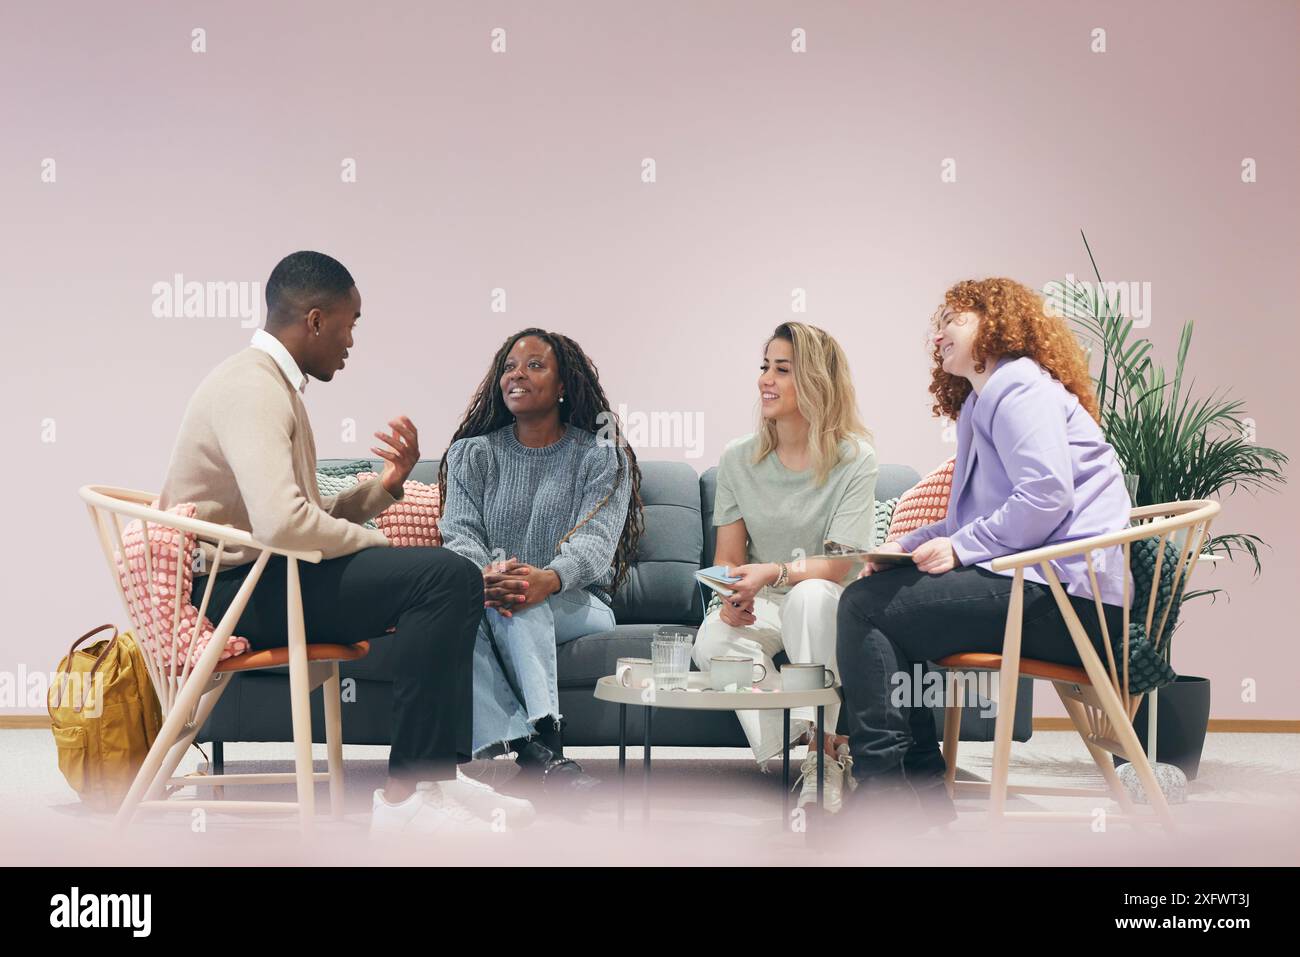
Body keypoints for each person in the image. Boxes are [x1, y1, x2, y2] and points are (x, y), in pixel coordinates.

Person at [166, 250, 532, 835]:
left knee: (450, 576)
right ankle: (405, 798)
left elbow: (298, 514)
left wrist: (383, 491)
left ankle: (433, 774)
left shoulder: (272, 386)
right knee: (444, 577)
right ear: (315, 320)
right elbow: (283, 525)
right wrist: (376, 546)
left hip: (267, 577)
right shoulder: (252, 389)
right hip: (240, 593)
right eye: (351, 321)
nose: (353, 340)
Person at [836, 277, 1132, 831]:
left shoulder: (1020, 386)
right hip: (1042, 588)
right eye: (939, 322)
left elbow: (1046, 495)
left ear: (996, 325)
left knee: (863, 606)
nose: (940, 332)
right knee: (876, 605)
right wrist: (904, 546)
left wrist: (961, 548)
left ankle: (891, 799)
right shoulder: (983, 400)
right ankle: (913, 801)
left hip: (1069, 601)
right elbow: (967, 520)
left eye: (956, 319)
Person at [437, 328, 642, 798]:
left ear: (564, 384)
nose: (517, 375)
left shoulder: (600, 455)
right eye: (510, 366)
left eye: (534, 365)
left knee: (522, 604)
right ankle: (542, 757)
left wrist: (547, 579)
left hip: (577, 600)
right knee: (477, 612)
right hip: (493, 593)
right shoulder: (472, 454)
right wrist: (488, 577)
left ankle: (542, 741)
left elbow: (596, 542)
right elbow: (460, 532)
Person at [692, 322, 877, 812]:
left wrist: (772, 574)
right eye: (764, 367)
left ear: (816, 381)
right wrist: (729, 597)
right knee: (711, 639)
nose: (765, 380)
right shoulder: (738, 458)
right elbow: (728, 560)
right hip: (764, 602)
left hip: (827, 600)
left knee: (810, 598)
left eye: (781, 370)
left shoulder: (855, 459)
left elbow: (839, 566)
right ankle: (822, 739)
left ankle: (822, 755)